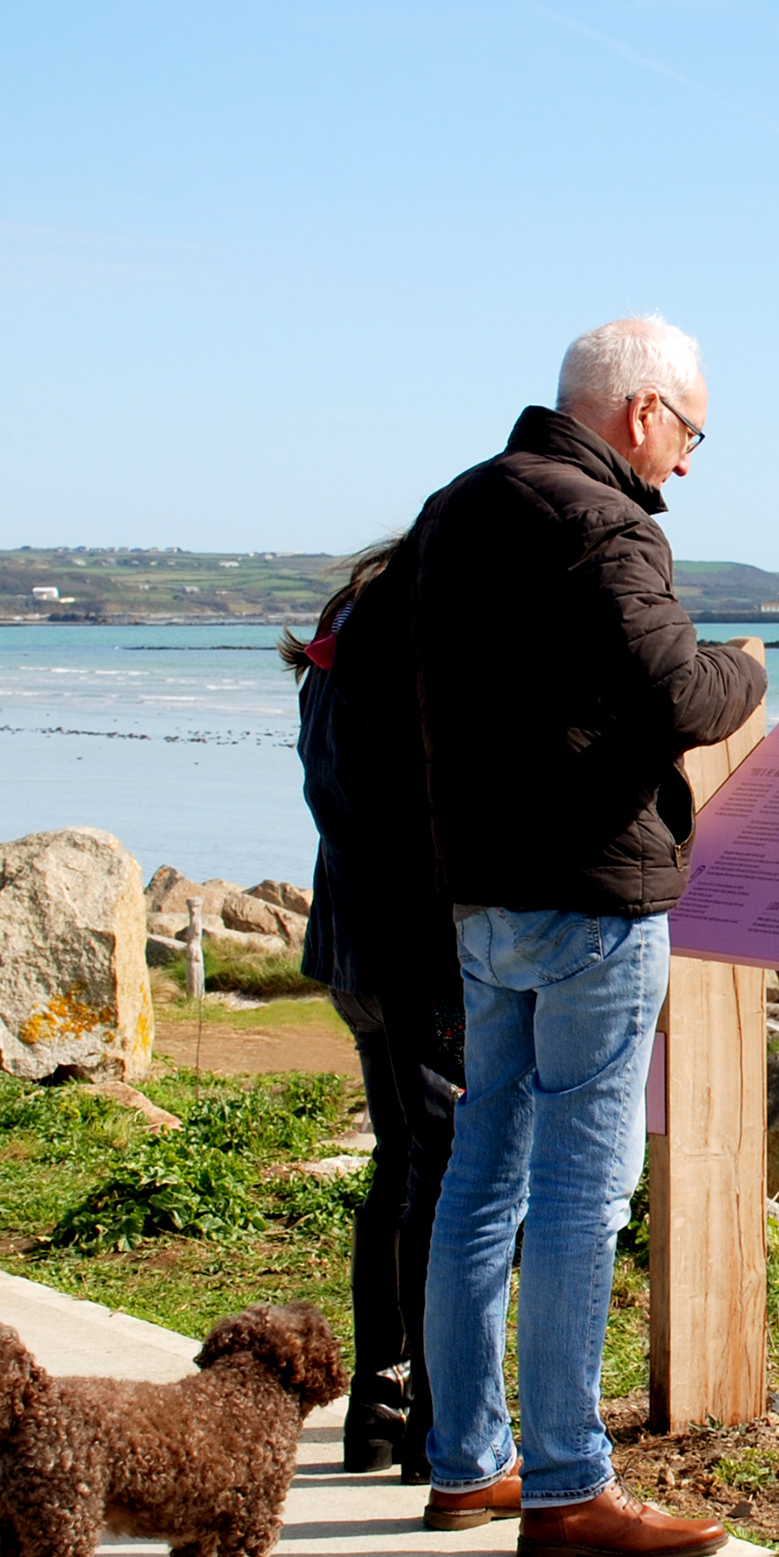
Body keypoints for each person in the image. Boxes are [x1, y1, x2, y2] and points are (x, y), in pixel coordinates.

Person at [408, 315, 765, 1557]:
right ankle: (566, 1481)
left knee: (480, 1172)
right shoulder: (608, 522)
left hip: (481, 889)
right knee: (577, 1190)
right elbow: (680, 693)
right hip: (590, 897)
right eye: (692, 433)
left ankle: (468, 1464)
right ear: (643, 412)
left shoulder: (456, 510)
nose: (686, 462)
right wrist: (752, 668)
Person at [285, 538, 462, 1479]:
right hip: (415, 941)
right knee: (444, 1170)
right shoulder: (417, 636)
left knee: (401, 1164)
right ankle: (440, 1417)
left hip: (354, 937)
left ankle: (382, 1406)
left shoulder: (348, 627)